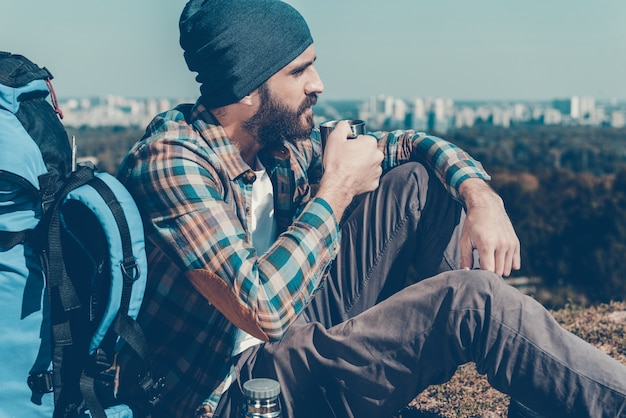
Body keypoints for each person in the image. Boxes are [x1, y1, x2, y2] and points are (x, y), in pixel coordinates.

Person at [117, 1, 626, 417]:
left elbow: (407, 144)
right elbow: (261, 309)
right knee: (472, 302)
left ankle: (526, 380)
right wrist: (335, 188)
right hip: (226, 396)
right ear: (249, 89)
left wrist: (480, 194)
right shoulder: (171, 162)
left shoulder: (275, 144)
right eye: (299, 71)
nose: (318, 84)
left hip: (291, 341)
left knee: (415, 184)